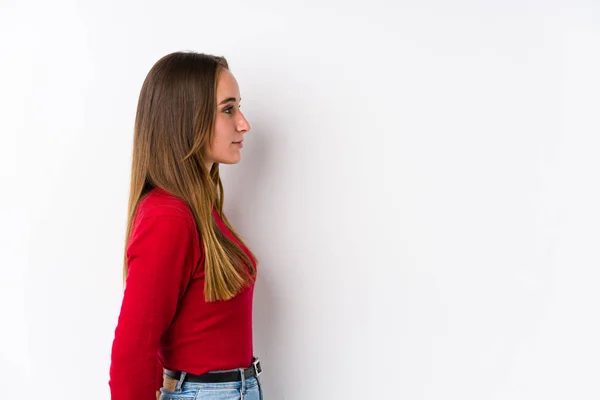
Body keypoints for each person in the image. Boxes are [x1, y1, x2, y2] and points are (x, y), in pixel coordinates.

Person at [108, 51, 263, 400]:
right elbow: (132, 353)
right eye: (228, 109)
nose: (243, 123)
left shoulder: (199, 210)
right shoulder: (169, 217)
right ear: (186, 120)